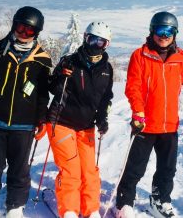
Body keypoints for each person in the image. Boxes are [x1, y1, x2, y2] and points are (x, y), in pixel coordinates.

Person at [115, 11, 183, 218]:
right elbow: (133, 87)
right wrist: (138, 113)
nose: (164, 35)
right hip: (145, 125)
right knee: (135, 168)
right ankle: (124, 204)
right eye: (161, 30)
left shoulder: (180, 57)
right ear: (152, 31)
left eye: (170, 31)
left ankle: (160, 201)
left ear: (175, 34)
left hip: (169, 126)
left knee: (167, 170)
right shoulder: (140, 55)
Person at [0, 6, 52, 218]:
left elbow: (43, 95)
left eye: (30, 31)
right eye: (20, 27)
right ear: (14, 25)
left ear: (37, 33)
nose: (23, 34)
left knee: (20, 171)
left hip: (24, 128)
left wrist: (43, 120)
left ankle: (15, 206)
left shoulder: (42, 60)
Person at [45, 22, 113, 218]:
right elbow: (52, 88)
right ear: (85, 37)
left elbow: (106, 97)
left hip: (86, 126)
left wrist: (102, 118)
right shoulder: (70, 62)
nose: (95, 44)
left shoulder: (106, 69)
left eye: (100, 42)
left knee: (89, 171)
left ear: (106, 45)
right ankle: (69, 211)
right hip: (61, 121)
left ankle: (91, 210)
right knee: (71, 170)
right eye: (92, 39)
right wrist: (59, 75)